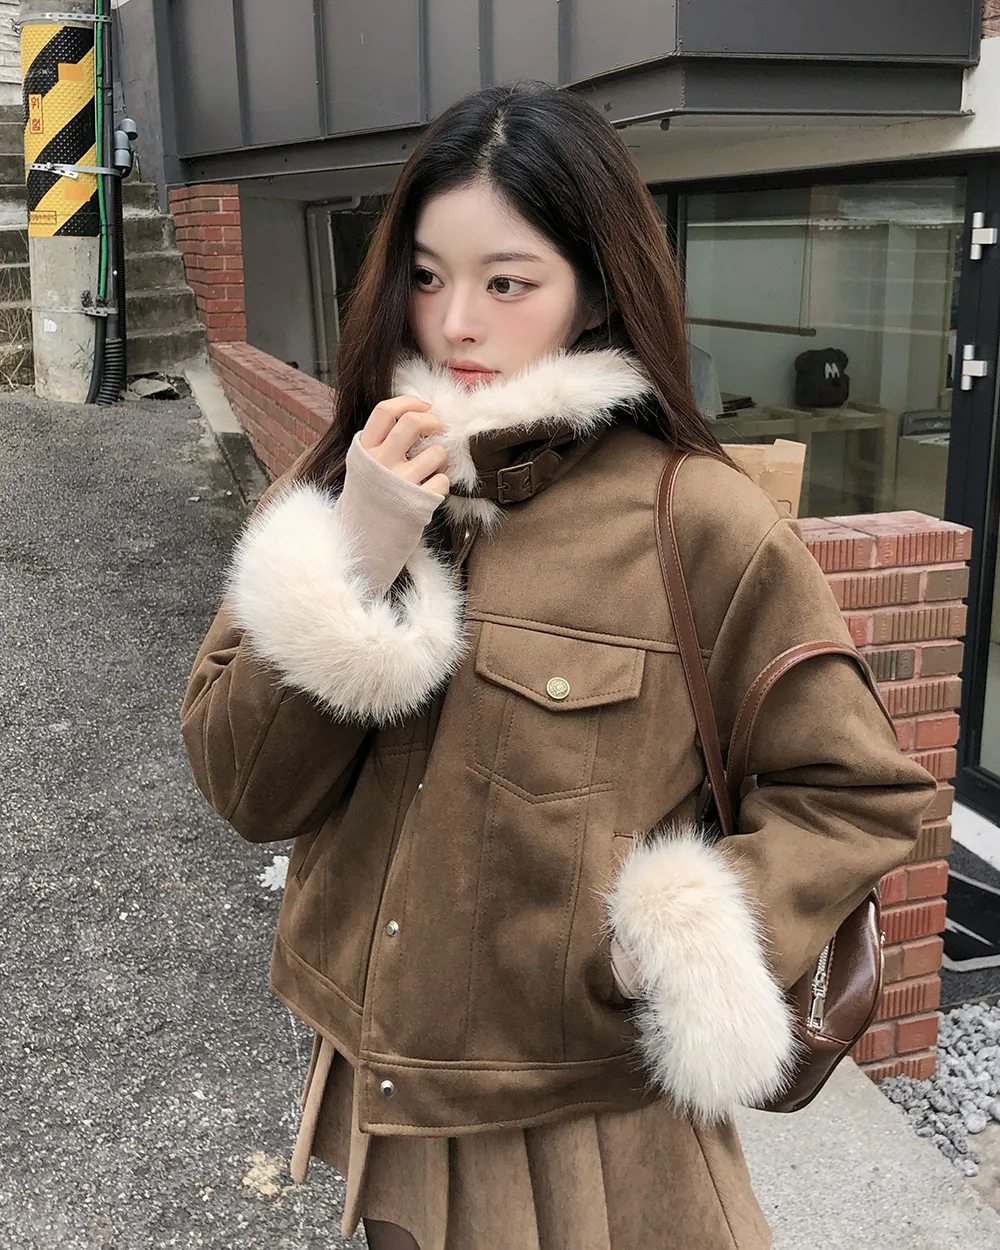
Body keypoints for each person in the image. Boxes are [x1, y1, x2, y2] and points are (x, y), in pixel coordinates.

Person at [180, 82, 936, 1250]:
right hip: (386, 1076)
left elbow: (856, 792)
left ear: (593, 289)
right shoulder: (337, 485)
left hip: (586, 1112)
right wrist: (358, 552)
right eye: (425, 274)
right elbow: (247, 789)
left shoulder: (699, 524)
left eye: (507, 282)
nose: (455, 323)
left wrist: (673, 936)